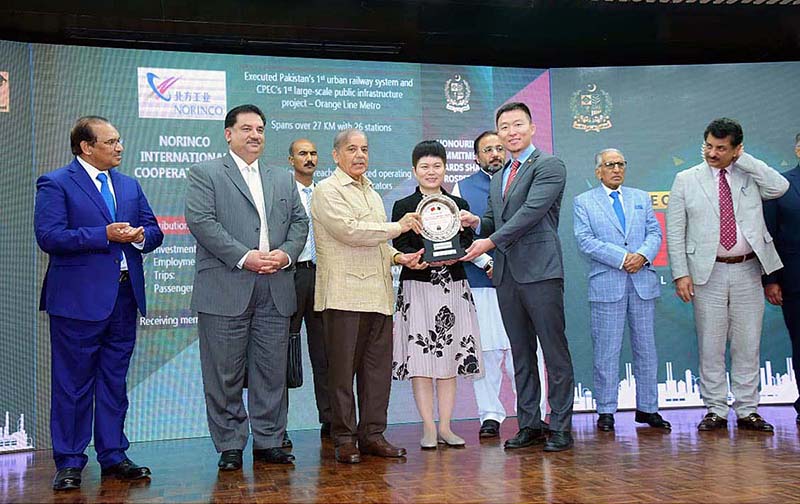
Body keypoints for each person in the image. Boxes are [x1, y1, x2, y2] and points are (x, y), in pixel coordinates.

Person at [34, 116, 164, 491]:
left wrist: (139, 236)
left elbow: (154, 230)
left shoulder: (128, 185)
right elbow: (49, 236)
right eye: (110, 142)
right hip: (77, 301)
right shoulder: (56, 183)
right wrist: (103, 234)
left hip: (124, 297)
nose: (119, 147)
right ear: (86, 147)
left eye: (119, 140)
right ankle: (70, 461)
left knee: (113, 382)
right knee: (72, 385)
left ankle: (113, 455)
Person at [185, 104, 308, 469]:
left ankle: (269, 440)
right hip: (225, 287)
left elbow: (300, 223)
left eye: (260, 129)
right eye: (247, 129)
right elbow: (202, 222)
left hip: (275, 286)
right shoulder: (205, 173)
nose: (255, 135)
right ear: (229, 134)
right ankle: (230, 445)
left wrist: (285, 255)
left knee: (271, 371)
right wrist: (244, 257)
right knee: (223, 373)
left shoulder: (282, 178)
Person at [460, 102, 575, 452]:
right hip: (507, 274)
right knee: (521, 353)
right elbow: (493, 220)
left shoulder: (549, 165)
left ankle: (560, 426)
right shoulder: (499, 176)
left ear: (532, 127)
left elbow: (529, 214)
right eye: (505, 127)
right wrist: (475, 223)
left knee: (553, 352)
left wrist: (489, 242)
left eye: (517, 124)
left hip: (541, 272)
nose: (511, 132)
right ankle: (529, 424)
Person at [667, 118, 788, 433]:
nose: (712, 153)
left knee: (748, 343)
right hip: (708, 272)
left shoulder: (750, 175)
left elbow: (780, 187)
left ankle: (748, 410)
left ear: (736, 149)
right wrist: (680, 273)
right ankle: (715, 410)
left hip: (749, 269)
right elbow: (675, 230)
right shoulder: (686, 179)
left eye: (721, 148)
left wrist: (743, 160)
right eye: (708, 145)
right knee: (711, 343)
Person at [310, 128, 424, 464]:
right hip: (343, 296)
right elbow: (350, 231)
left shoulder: (371, 192)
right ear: (336, 155)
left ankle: (372, 434)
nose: (360, 155)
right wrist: (399, 227)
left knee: (376, 372)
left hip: (378, 294)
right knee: (342, 373)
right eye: (352, 149)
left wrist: (398, 257)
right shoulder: (326, 190)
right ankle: (344, 438)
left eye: (365, 149)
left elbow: (376, 243)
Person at [391, 140, 486, 449]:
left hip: (452, 286)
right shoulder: (403, 206)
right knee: (420, 361)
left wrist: (455, 253)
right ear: (414, 170)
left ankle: (445, 426)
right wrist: (422, 257)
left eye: (437, 166)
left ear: (445, 168)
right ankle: (428, 428)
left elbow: (467, 242)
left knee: (449, 359)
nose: (431, 172)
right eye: (424, 167)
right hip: (418, 287)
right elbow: (400, 245)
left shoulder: (458, 205)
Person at [573, 148, 671, 432]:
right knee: (606, 351)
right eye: (610, 165)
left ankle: (648, 408)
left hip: (642, 283)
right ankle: (605, 410)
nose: (616, 169)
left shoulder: (641, 198)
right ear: (598, 172)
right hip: (607, 284)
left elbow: (655, 233)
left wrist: (642, 256)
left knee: (646, 350)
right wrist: (622, 258)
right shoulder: (584, 202)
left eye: (620, 164)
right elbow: (585, 240)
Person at [452, 131, 531, 439]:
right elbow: (459, 236)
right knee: (486, 352)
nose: (495, 153)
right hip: (481, 280)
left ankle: (532, 414)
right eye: (488, 150)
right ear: (476, 157)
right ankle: (490, 415)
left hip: (522, 278)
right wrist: (487, 263)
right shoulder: (463, 187)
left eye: (499, 148)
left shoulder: (524, 180)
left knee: (524, 348)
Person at [284, 138, 331, 445]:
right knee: (282, 353)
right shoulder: (281, 192)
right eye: (303, 153)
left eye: (313, 153)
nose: (309, 158)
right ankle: (277, 427)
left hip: (323, 275)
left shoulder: (326, 193)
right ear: (291, 160)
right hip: (290, 276)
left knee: (325, 352)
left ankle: (331, 420)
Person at [763, 132, 800, 425]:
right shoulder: (780, 186)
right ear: (798, 150)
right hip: (795, 281)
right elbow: (768, 235)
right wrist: (771, 279)